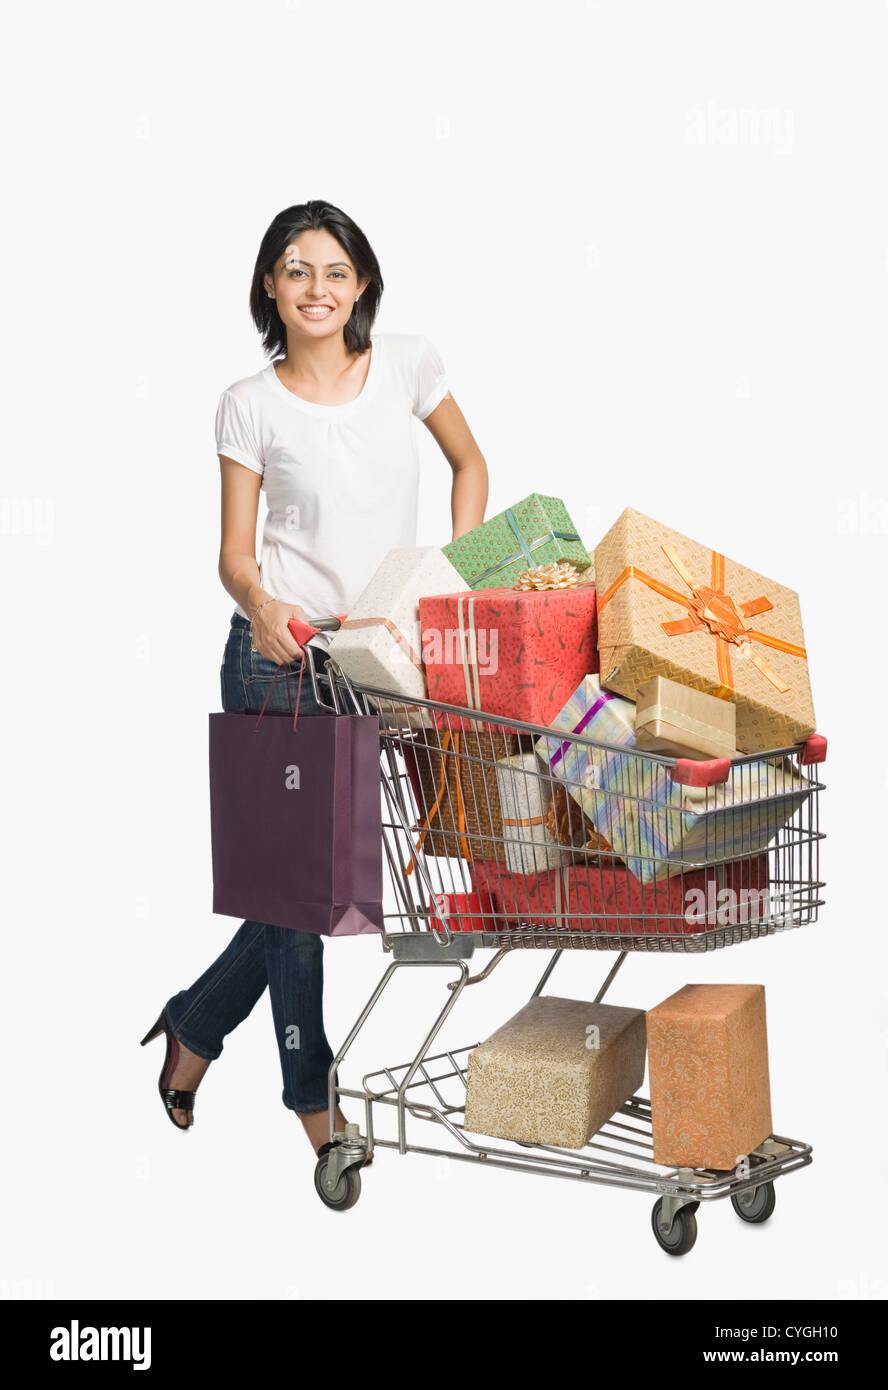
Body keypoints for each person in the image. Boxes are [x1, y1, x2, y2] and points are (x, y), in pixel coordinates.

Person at [141, 200, 489, 1155]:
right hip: (278, 664)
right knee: (301, 899)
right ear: (269, 286)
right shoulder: (247, 404)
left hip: (379, 661)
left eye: (335, 271)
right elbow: (233, 554)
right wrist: (264, 608)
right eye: (296, 271)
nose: (318, 288)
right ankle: (314, 1103)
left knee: (316, 886)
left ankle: (194, 1024)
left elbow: (469, 462)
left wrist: (448, 579)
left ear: (363, 283)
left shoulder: (410, 364)